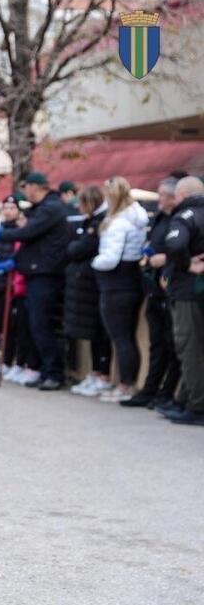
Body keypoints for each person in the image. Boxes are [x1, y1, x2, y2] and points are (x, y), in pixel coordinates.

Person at [0, 172, 70, 390]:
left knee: (41, 324)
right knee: (35, 325)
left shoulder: (51, 208)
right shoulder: (40, 209)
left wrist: (4, 234)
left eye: (26, 187)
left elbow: (29, 232)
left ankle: (53, 372)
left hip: (45, 273)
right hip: (34, 271)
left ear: (35, 187)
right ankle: (44, 370)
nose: (25, 192)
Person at [122, 177, 182, 408]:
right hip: (154, 288)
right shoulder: (159, 218)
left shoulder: (181, 219)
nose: (159, 198)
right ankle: (150, 389)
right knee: (157, 343)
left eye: (163, 195)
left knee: (172, 343)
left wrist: (165, 259)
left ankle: (166, 392)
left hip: (172, 288)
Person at [91, 177, 148, 402]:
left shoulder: (118, 223)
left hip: (116, 283)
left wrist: (95, 261)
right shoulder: (135, 219)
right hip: (130, 281)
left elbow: (110, 259)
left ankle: (126, 385)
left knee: (121, 338)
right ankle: (126, 383)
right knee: (126, 337)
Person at [159, 176, 204, 425]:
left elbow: (175, 245)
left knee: (190, 348)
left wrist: (186, 264)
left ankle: (196, 406)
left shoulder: (185, 216)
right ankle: (184, 400)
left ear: (182, 196)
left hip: (188, 291)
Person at [0, 194, 40, 384]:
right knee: (2, 324)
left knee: (19, 326)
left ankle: (19, 362)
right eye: (5, 208)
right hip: (1, 283)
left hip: (17, 284)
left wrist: (10, 264)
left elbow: (20, 253)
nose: (8, 211)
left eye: (12, 208)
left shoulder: (20, 230)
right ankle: (5, 361)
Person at [64, 186, 114, 398]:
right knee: (93, 333)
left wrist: (74, 247)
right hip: (86, 282)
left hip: (94, 284)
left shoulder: (99, 223)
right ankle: (95, 372)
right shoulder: (90, 222)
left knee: (101, 333)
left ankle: (103, 374)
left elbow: (80, 248)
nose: (79, 207)